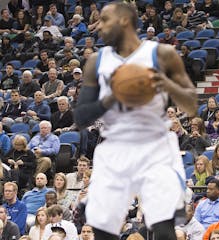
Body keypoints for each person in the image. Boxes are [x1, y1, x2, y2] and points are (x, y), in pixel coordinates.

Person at [73, 2, 197, 239]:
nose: (98, 26)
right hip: (114, 146)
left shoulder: (162, 54)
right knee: (103, 232)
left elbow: (191, 105)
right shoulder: (96, 62)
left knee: (163, 229)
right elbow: (80, 118)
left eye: (104, 20)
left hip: (155, 146)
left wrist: (166, 84)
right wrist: (111, 98)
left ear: (124, 21)